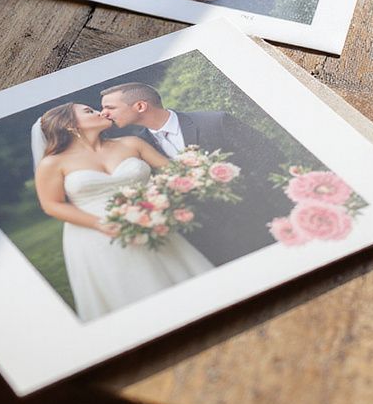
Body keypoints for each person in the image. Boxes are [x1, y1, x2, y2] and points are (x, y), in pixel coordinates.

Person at [33, 102, 212, 322]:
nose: (100, 112)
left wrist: (174, 190)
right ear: (69, 125)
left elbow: (173, 173)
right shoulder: (53, 163)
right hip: (95, 236)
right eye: (89, 111)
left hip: (150, 220)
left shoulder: (131, 144)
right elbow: (52, 204)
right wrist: (100, 224)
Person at [98, 82, 285, 265]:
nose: (103, 113)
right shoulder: (137, 148)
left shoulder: (214, 122)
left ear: (140, 106)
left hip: (260, 222)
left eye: (110, 107)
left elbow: (269, 157)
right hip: (206, 243)